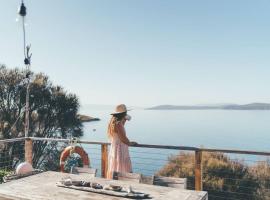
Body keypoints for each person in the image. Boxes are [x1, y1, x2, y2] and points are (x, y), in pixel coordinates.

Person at [107, 104, 137, 179]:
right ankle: (123, 182)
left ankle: (116, 182)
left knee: (116, 166)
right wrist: (130, 143)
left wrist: (125, 118)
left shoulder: (114, 123)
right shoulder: (118, 124)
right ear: (123, 114)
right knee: (122, 167)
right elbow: (123, 138)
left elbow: (124, 124)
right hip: (120, 149)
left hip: (115, 148)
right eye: (125, 112)